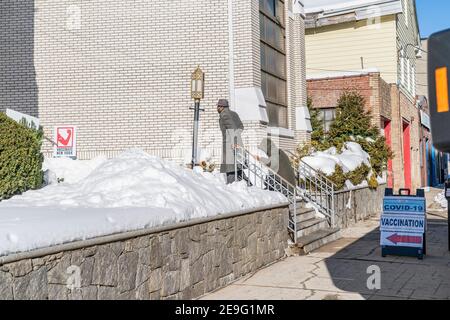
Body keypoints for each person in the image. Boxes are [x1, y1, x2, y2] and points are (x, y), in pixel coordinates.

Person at [217, 99, 244, 184]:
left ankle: (231, 187)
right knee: (237, 167)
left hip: (230, 144)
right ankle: (247, 186)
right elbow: (241, 127)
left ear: (222, 107)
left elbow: (232, 129)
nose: (217, 108)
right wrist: (237, 139)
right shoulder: (233, 113)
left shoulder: (224, 114)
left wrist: (233, 142)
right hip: (236, 142)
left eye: (218, 106)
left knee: (230, 167)